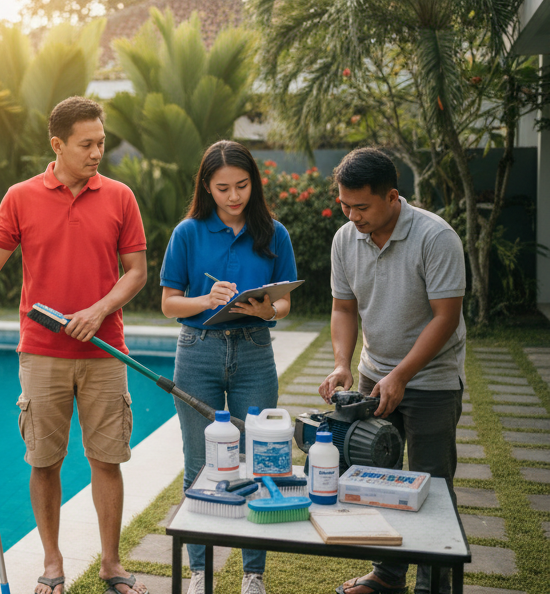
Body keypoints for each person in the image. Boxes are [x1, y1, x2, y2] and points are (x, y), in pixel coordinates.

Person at [0, 97, 149, 594]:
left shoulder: (120, 196)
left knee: (106, 460)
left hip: (104, 350)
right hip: (42, 353)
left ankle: (112, 565)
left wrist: (98, 310)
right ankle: (53, 564)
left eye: (101, 142)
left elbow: (136, 272)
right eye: (87, 144)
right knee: (43, 462)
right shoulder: (21, 197)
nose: (98, 152)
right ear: (58, 145)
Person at [318, 147, 466, 594]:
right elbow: (344, 308)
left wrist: (401, 375)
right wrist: (344, 363)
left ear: (392, 196)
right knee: (378, 477)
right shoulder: (346, 238)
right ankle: (387, 575)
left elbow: (446, 316)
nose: (351, 215)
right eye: (345, 205)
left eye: (361, 207)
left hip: (430, 381)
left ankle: (433, 585)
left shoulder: (436, 238)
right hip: (373, 375)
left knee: (430, 486)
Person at [159, 140, 297, 594]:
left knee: (260, 458)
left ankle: (252, 574)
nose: (234, 196)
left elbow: (285, 303)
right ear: (207, 186)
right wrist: (206, 300)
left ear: (254, 182)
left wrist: (266, 311)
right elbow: (168, 303)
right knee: (200, 462)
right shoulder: (187, 233)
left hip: (254, 350)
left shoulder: (273, 232)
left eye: (242, 185)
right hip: (198, 351)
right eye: (223, 188)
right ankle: (201, 570)